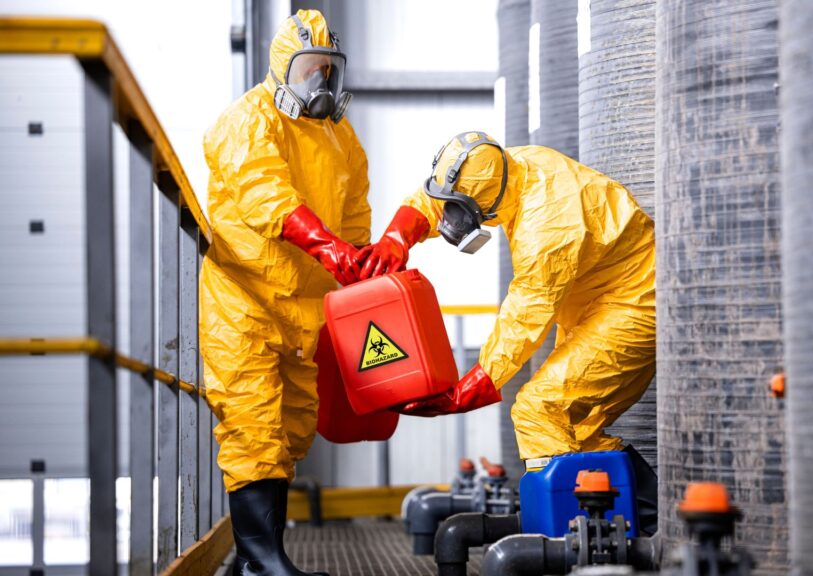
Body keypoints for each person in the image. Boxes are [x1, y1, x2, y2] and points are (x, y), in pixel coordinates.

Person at [360, 131, 658, 534]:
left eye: (458, 211)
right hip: (594, 301)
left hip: (634, 302)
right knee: (575, 428)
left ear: (483, 201)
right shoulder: (503, 171)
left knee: (539, 410)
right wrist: (398, 237)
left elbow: (525, 314)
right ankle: (642, 521)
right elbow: (442, 194)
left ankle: (570, 540)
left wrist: (473, 387)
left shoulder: (547, 224)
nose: (449, 218)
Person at [199, 10, 368, 575]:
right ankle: (264, 562)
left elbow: (356, 215)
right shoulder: (247, 122)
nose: (318, 83)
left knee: (293, 427)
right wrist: (327, 247)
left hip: (305, 307)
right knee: (253, 424)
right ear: (281, 71)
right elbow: (266, 197)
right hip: (243, 300)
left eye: (327, 70)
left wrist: (360, 267)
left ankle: (261, 560)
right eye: (308, 71)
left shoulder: (342, 138)